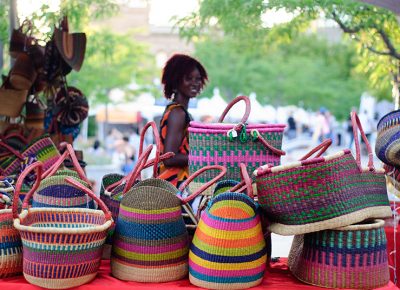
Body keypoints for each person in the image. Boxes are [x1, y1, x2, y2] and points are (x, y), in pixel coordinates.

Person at [158, 54, 208, 188]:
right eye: (188, 78)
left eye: (198, 79)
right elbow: (169, 158)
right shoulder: (178, 113)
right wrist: (204, 158)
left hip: (177, 183)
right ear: (176, 80)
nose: (195, 83)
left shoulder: (179, 111)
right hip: (174, 185)